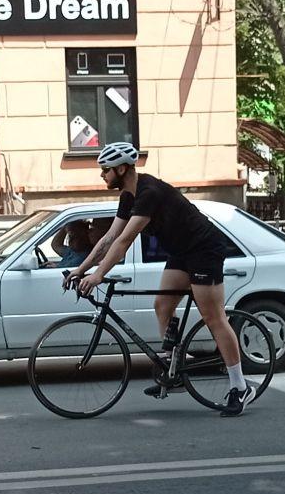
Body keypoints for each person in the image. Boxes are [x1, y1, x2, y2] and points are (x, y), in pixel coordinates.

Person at [66, 142, 257, 415]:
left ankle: (240, 386)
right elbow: (109, 238)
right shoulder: (128, 197)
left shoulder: (149, 193)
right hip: (181, 252)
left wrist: (98, 275)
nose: (102, 175)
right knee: (162, 306)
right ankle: (174, 371)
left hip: (204, 249)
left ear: (122, 169)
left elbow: (124, 241)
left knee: (213, 318)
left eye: (106, 169)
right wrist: (82, 268)